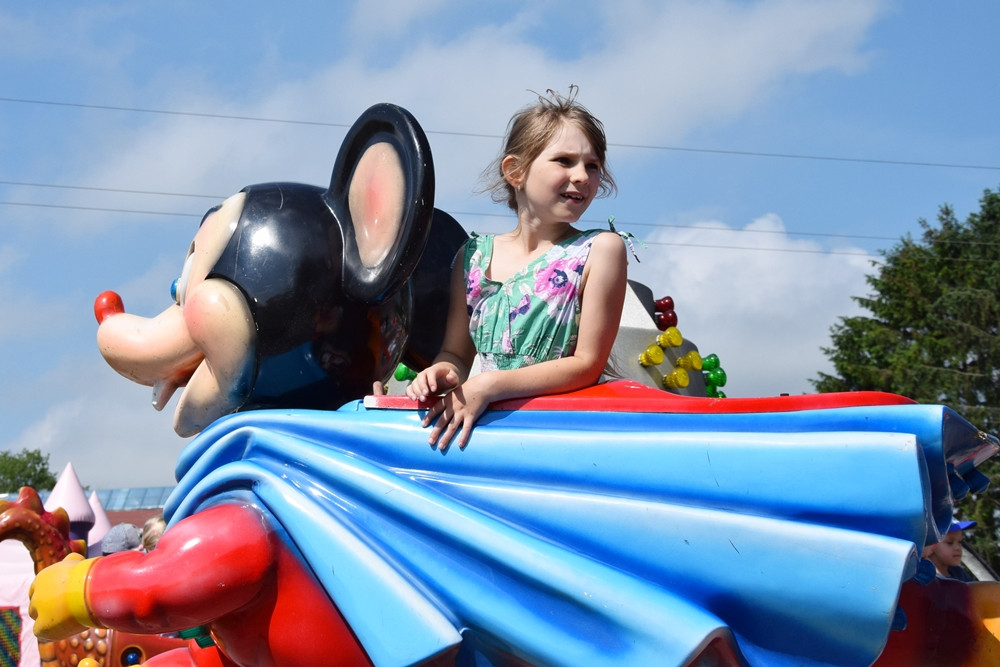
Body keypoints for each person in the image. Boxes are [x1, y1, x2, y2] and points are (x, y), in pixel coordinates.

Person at [406, 87, 628, 450]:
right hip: (484, 437)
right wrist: (441, 373)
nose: (582, 176)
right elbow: (457, 354)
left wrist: (488, 385)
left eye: (592, 166)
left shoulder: (600, 249)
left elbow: (587, 363)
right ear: (516, 171)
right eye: (564, 161)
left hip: (559, 435)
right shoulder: (472, 255)